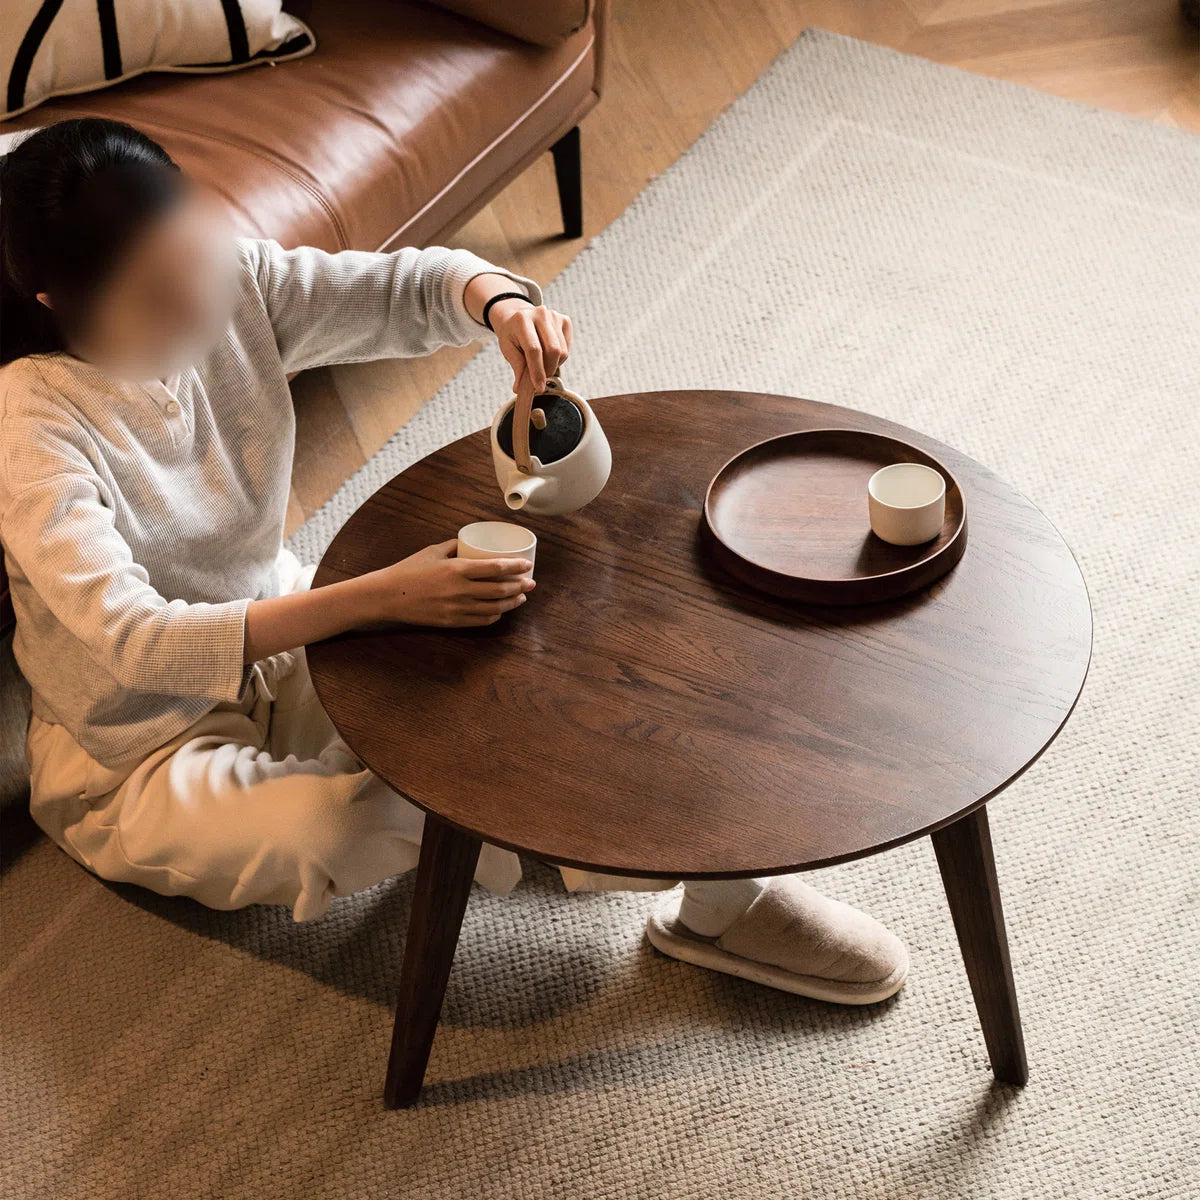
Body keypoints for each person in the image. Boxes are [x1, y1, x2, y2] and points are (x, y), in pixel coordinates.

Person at [0, 119, 907, 1005]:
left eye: (194, 257)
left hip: (277, 635)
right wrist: (378, 598)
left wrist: (501, 305)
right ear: (57, 303)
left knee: (525, 686)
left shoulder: (231, 281)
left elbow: (410, 287)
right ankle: (552, 831)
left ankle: (718, 901)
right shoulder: (33, 433)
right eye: (154, 297)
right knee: (337, 824)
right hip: (136, 750)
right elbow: (138, 643)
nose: (199, 302)